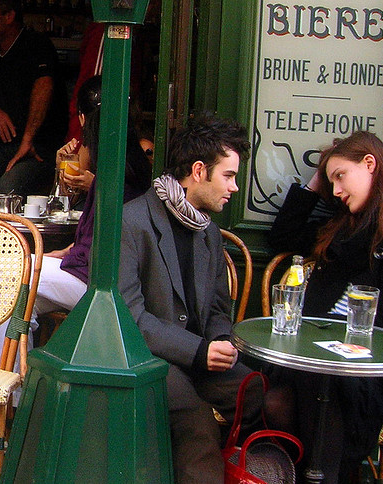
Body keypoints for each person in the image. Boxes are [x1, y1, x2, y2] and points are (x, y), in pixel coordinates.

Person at [0, 76, 152, 439]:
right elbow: (90, 239)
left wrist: (60, 255)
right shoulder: (123, 169)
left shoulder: (112, 175)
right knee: (16, 296)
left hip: (99, 285)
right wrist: (61, 250)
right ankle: (6, 400)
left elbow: (100, 249)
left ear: (84, 120)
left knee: (9, 272)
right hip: (88, 272)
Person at [268, 131, 383, 483]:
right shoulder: (340, 225)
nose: (337, 191)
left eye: (341, 177)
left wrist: (326, 345)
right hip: (313, 354)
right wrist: (319, 178)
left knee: (304, 393)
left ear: (370, 164)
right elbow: (283, 238)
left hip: (370, 368)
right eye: (332, 183)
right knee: (276, 401)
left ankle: (323, 477)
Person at [118, 115, 264, 483]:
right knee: (197, 424)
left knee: (262, 392)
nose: (234, 187)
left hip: (198, 357)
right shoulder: (132, 221)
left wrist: (218, 341)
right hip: (145, 358)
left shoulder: (208, 231)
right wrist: (200, 351)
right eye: (228, 176)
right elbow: (130, 317)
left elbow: (218, 307)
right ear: (199, 171)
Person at [0, 0, 68, 203]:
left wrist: (28, 139)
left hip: (38, 149)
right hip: (1, 146)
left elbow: (44, 86)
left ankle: (9, 234)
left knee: (5, 190)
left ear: (9, 16)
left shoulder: (35, 44)